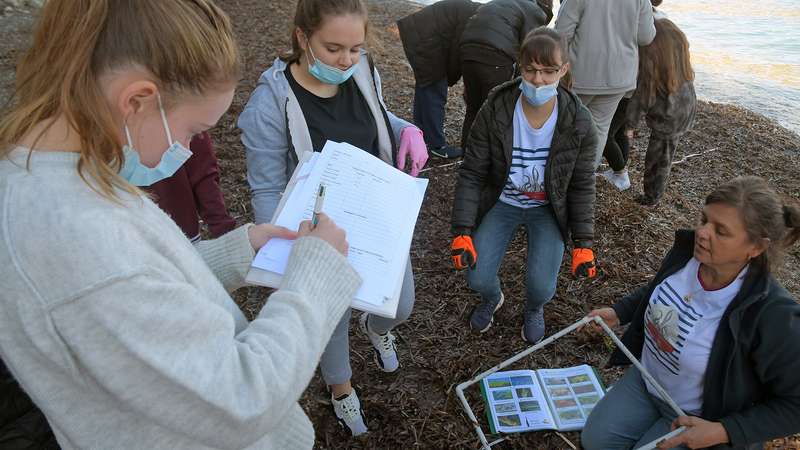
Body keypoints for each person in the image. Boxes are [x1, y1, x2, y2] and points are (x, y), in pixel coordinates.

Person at [0, 1, 361, 449]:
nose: (189, 151)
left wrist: (236, 251)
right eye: (193, 130)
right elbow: (242, 399)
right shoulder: (75, 238)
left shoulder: (58, 176)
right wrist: (315, 278)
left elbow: (141, 282)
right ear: (137, 100)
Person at [238, 0, 423, 436]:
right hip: (316, 228)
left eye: (356, 48)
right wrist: (284, 246)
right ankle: (341, 390)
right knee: (330, 319)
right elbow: (265, 185)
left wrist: (404, 129)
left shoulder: (362, 70)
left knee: (400, 302)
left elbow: (376, 115)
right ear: (302, 38)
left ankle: (376, 327)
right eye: (334, 48)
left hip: (376, 212)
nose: (347, 60)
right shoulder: (271, 101)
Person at [581, 176, 800, 449]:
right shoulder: (688, 256)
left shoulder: (772, 314)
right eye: (704, 219)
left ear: (756, 248)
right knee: (595, 441)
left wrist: (723, 430)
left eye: (721, 231)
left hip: (701, 417)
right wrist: (618, 312)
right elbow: (659, 290)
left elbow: (795, 404)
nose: (703, 232)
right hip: (647, 380)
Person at [450, 27, 597, 344]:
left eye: (548, 71)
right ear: (520, 65)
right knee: (477, 276)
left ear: (564, 70)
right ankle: (492, 298)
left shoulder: (579, 121)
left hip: (547, 208)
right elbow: (473, 171)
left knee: (542, 286)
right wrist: (462, 229)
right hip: (503, 202)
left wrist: (583, 242)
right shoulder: (496, 108)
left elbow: (582, 184)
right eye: (531, 70)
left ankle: (534, 309)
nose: (539, 80)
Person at [555, 0, 656, 168]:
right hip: (619, 75)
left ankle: (558, 175)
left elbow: (561, 34)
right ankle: (584, 178)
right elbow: (646, 36)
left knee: (564, 127)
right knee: (599, 130)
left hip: (580, 74)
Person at [458, 0, 553, 152]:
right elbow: (530, 50)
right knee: (495, 109)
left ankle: (466, 154)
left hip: (467, 48)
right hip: (494, 53)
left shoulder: (511, 3)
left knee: (473, 106)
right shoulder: (536, 12)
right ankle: (485, 159)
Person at [624, 18, 696, 206]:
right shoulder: (678, 63)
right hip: (686, 108)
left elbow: (642, 98)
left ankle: (651, 198)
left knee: (658, 160)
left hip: (669, 118)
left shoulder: (652, 68)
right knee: (666, 153)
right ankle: (654, 194)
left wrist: (630, 125)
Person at [397, 0, 480, 159]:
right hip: (426, 40)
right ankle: (436, 146)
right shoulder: (473, 17)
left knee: (425, 85)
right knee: (435, 91)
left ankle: (420, 134)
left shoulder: (475, 10)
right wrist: (452, 77)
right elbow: (457, 49)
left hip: (419, 33)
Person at [144, 131, 237, 241]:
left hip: (180, 233)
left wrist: (223, 227)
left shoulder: (182, 119)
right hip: (127, 236)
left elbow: (203, 173)